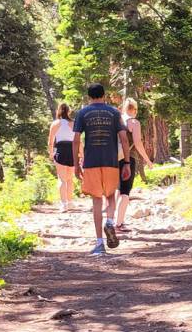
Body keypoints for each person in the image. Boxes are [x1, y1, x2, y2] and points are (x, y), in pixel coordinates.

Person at [72, 83, 132, 255]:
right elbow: (124, 138)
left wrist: (76, 165)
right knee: (110, 196)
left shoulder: (82, 113)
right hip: (111, 161)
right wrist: (126, 162)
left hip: (91, 162)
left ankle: (99, 244)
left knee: (96, 200)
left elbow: (76, 140)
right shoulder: (114, 112)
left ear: (89, 96)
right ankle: (111, 222)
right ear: (104, 95)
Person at [115, 97, 154, 231]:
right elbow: (137, 143)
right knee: (125, 191)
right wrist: (147, 160)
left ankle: (111, 220)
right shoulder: (133, 122)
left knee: (117, 189)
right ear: (135, 110)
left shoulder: (117, 119)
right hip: (128, 158)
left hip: (113, 158)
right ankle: (119, 223)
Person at [48, 103, 76, 212]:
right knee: (70, 178)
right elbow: (78, 141)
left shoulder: (55, 123)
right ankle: (70, 202)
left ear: (59, 111)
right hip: (71, 150)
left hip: (60, 149)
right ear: (69, 111)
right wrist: (81, 154)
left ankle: (64, 204)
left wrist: (51, 153)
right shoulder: (73, 123)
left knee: (62, 178)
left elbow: (51, 141)